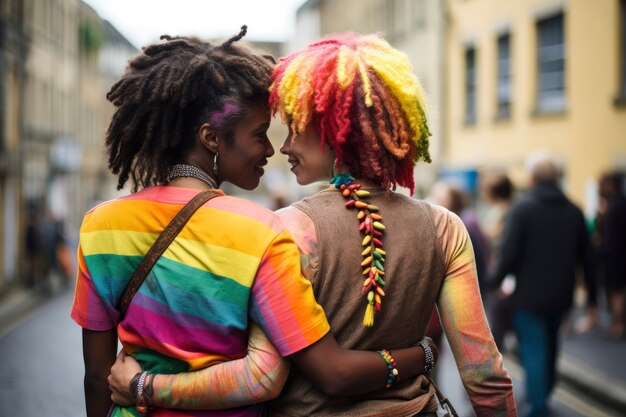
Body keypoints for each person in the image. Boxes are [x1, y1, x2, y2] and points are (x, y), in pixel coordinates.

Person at [109, 32, 516, 417]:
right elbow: (484, 373)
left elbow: (261, 374)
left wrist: (146, 386)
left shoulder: (285, 229)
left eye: (296, 128)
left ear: (335, 132)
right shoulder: (445, 228)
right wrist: (425, 354)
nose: (283, 145)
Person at [489, 151, 595, 417]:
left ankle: (538, 407)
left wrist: (490, 282)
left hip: (530, 297)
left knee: (535, 350)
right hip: (562, 296)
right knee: (551, 346)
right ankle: (543, 396)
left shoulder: (522, 210)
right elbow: (588, 260)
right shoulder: (575, 211)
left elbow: (509, 255)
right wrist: (592, 299)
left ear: (533, 179)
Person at [596, 172, 626, 338]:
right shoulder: (617, 204)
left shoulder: (615, 206)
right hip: (617, 255)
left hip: (615, 257)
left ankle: (619, 325)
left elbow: (609, 235)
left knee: (616, 291)